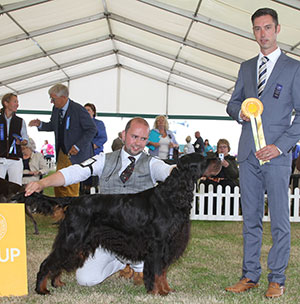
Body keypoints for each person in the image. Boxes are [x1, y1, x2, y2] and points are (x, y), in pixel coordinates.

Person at [24, 117, 173, 288]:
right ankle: (121, 262)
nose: (138, 143)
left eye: (143, 139)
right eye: (134, 136)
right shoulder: (104, 159)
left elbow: (167, 171)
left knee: (149, 266)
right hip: (106, 234)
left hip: (139, 238)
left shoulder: (152, 163)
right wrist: (42, 183)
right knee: (86, 279)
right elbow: (76, 171)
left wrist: (181, 170)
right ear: (123, 135)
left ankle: (134, 263)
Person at [226, 8, 300, 298]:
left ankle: (277, 278)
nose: (263, 34)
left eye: (267, 27)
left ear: (278, 29)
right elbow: (232, 104)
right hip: (247, 154)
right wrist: (240, 113)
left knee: (280, 220)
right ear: (253, 32)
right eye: (257, 29)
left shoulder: (294, 68)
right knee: (251, 220)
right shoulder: (245, 68)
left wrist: (280, 146)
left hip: (278, 157)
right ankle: (250, 275)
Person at [28, 83, 97, 197]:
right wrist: (40, 124)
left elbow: (92, 129)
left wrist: (78, 146)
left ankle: (71, 210)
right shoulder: (56, 109)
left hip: (75, 154)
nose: (51, 101)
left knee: (71, 184)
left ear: (64, 97)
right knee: (59, 183)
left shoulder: (78, 110)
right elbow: (53, 125)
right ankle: (60, 209)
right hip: (62, 153)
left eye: (53, 98)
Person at [0, 93, 28, 185]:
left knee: (16, 186)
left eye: (17, 102)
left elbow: (25, 139)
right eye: (15, 101)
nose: (17, 104)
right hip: (0, 158)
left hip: (15, 159)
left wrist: (22, 142)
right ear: (6, 103)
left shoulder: (20, 121)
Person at [80, 103, 107, 194]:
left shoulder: (99, 124)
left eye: (88, 110)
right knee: (82, 178)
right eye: (84, 110)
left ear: (93, 112)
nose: (86, 112)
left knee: (93, 180)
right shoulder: (80, 124)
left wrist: (92, 146)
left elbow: (103, 137)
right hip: (82, 155)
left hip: (95, 154)